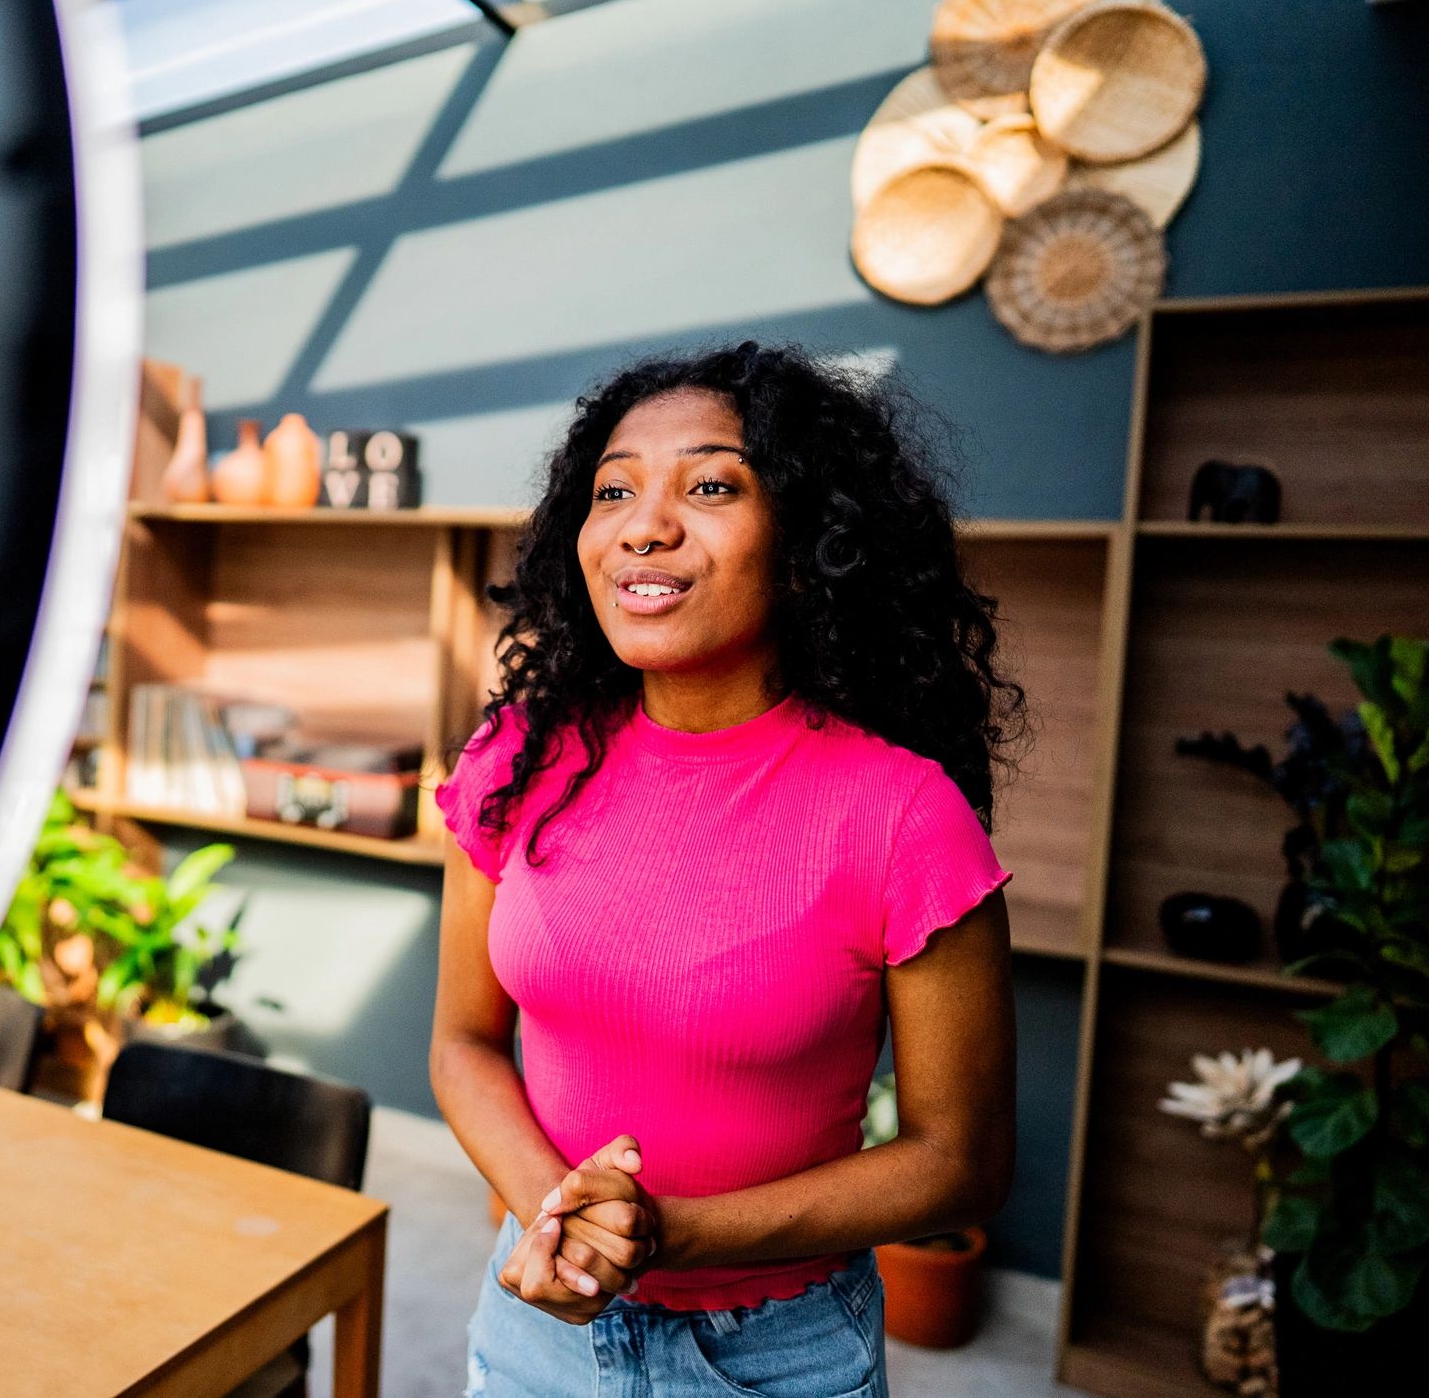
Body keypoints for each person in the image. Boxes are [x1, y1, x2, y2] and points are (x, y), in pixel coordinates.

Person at [430, 340, 1025, 1397]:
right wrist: (556, 1216)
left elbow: (959, 1158)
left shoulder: (903, 815)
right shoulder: (518, 756)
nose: (644, 523)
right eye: (614, 489)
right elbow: (462, 1040)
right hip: (536, 1316)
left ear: (805, 543)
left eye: (710, 484)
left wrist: (676, 1234)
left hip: (775, 1352)